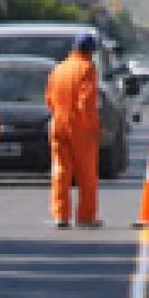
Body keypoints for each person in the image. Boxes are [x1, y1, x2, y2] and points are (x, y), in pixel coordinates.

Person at [45, 32, 101, 229]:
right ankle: (86, 216)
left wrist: (59, 115)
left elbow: (49, 100)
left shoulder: (58, 69)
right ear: (90, 51)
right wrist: (91, 127)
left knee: (60, 170)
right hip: (80, 127)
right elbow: (85, 101)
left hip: (57, 123)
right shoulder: (87, 68)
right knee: (86, 173)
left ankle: (61, 215)